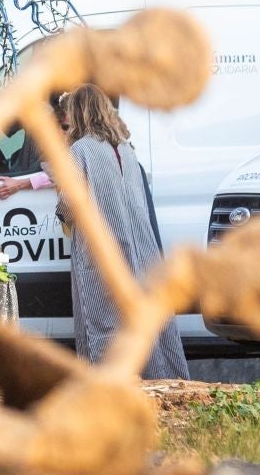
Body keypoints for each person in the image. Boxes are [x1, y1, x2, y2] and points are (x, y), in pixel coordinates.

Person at [58, 84, 188, 379]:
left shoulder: (80, 150)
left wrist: (61, 215)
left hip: (103, 248)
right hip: (141, 248)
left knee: (102, 318)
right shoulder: (126, 149)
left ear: (78, 113)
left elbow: (69, 201)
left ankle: (108, 385)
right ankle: (159, 377)